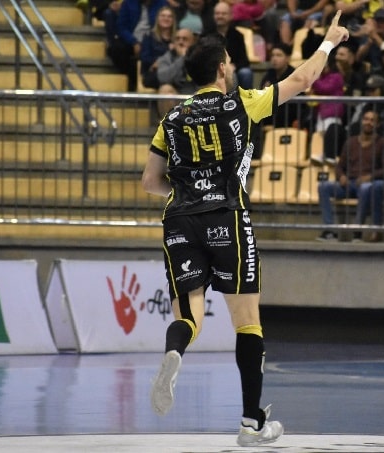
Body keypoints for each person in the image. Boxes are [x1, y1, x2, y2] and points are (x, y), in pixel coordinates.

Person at [141, 12, 349, 446]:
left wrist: (185, 195)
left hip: (178, 217)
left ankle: (174, 352)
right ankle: (251, 423)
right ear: (221, 68)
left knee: (190, 313)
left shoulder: (171, 118)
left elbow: (149, 182)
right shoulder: (241, 102)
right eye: (229, 61)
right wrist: (327, 43)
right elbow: (302, 79)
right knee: (247, 322)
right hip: (227, 215)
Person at [317, 108, 384, 242]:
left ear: (377, 125)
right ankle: (329, 230)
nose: (369, 123)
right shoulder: (350, 142)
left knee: (366, 188)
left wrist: (370, 177)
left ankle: (357, 231)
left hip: (367, 184)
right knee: (323, 186)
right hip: (349, 183)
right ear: (361, 122)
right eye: (366, 119)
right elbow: (339, 166)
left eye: (373, 120)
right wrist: (341, 176)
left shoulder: (382, 143)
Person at [206, 1, 253, 89]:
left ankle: (246, 100)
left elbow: (244, 61)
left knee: (245, 72)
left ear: (231, 16)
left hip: (233, 68)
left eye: (224, 14)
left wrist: (233, 66)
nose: (220, 16)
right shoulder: (207, 35)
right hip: (212, 68)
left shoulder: (238, 36)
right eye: (217, 13)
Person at [156, 27, 197, 116]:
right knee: (165, 89)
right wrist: (182, 58)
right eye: (177, 39)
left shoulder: (201, 56)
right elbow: (162, 78)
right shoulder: (167, 57)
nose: (180, 42)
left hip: (196, 97)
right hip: (177, 98)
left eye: (185, 39)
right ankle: (170, 126)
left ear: (193, 42)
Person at [139, 6, 177, 90]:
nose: (166, 18)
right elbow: (145, 58)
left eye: (169, 16)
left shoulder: (178, 38)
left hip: (173, 72)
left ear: (173, 20)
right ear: (158, 18)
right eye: (163, 16)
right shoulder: (149, 36)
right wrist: (160, 61)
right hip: (153, 73)